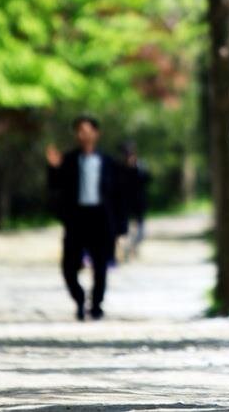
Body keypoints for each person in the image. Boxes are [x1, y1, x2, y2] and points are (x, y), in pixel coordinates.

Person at [45, 115, 118, 321]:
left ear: (96, 133)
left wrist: (119, 226)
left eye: (87, 130)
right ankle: (79, 298)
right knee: (68, 266)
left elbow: (119, 194)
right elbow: (54, 187)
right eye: (79, 131)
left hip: (100, 218)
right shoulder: (68, 161)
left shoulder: (108, 162)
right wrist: (53, 167)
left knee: (101, 265)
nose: (83, 135)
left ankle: (96, 304)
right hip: (76, 219)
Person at [118, 141, 151, 261]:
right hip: (124, 204)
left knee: (141, 232)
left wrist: (136, 168)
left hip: (139, 203)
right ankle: (126, 251)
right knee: (125, 231)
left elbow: (147, 180)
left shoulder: (141, 166)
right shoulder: (120, 168)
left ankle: (132, 248)